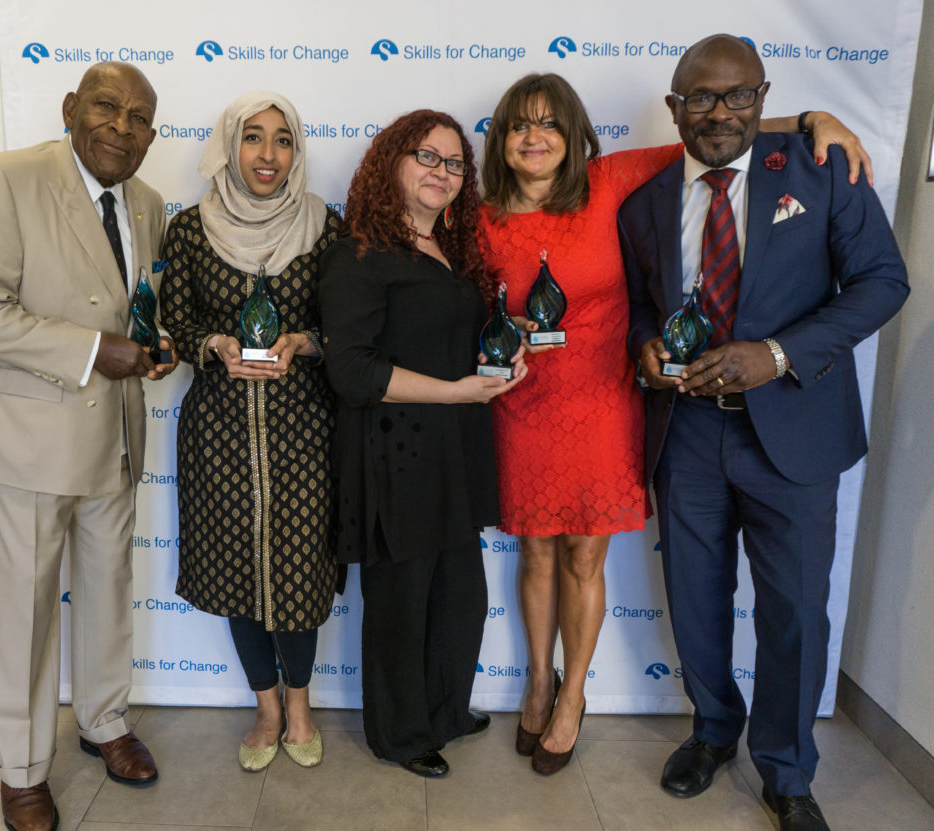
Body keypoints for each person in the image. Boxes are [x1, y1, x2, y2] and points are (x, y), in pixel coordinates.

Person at [479, 71, 873, 776]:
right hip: (521, 404)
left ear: (574, 136)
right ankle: (537, 681)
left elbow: (718, 136)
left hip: (602, 402)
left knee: (582, 557)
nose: (533, 138)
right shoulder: (479, 218)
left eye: (549, 124)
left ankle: (573, 697)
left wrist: (815, 117)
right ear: (500, 139)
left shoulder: (610, 179)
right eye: (518, 125)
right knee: (535, 553)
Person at [619, 34, 908, 831]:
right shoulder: (642, 203)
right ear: (675, 108)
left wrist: (776, 354)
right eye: (701, 99)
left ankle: (786, 768)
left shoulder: (821, 171)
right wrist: (644, 349)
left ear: (763, 96)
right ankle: (713, 730)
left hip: (796, 438)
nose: (720, 113)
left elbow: (885, 281)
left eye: (739, 95)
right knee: (696, 599)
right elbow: (645, 305)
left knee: (794, 610)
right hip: (687, 436)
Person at [0, 62, 176, 831]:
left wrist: (152, 345)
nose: (122, 126)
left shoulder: (146, 203)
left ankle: (104, 720)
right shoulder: (6, 178)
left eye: (140, 117)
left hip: (113, 431)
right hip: (27, 436)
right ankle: (20, 765)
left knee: (109, 586)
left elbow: (131, 309)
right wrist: (91, 349)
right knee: (27, 605)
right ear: (71, 106)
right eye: (107, 106)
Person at [318, 109, 527, 778]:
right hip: (394, 453)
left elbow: (447, 336)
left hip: (455, 450)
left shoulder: (453, 251)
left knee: (459, 596)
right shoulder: (360, 253)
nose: (442, 171)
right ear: (391, 163)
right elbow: (350, 370)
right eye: (426, 157)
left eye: (454, 162)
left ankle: (444, 710)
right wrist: (456, 392)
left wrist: (507, 344)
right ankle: (400, 732)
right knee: (402, 605)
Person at [160, 91, 340, 773]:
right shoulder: (188, 229)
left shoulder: (326, 227)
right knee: (239, 570)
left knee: (298, 571)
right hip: (220, 432)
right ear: (230, 146)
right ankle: (266, 707)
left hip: (303, 431)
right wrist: (214, 344)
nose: (269, 155)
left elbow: (349, 328)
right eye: (254, 138)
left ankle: (301, 704)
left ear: (298, 150)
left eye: (284, 139)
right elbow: (176, 324)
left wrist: (305, 341)